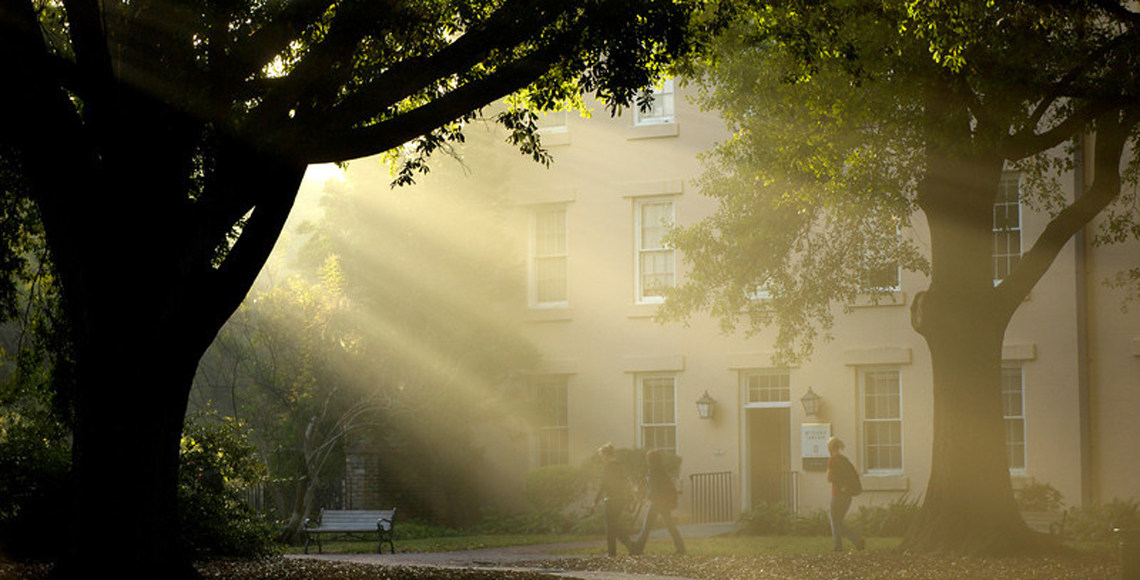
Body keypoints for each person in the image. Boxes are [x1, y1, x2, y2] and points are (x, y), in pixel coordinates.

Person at [633, 448, 686, 555]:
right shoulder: (661, 470)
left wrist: (648, 496)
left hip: (656, 502)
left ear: (650, 459)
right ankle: (680, 547)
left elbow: (653, 489)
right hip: (664, 501)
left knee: (646, 527)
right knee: (670, 525)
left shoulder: (652, 471)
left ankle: (638, 549)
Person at [594, 443, 635, 556]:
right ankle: (629, 545)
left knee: (610, 526)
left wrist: (596, 500)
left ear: (607, 454)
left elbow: (604, 484)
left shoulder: (608, 467)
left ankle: (612, 552)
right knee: (616, 525)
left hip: (611, 499)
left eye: (602, 455)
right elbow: (626, 481)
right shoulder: (620, 466)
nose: (602, 458)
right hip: (621, 499)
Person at [826, 436, 865, 552]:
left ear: (830, 448)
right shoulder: (845, 460)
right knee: (838, 522)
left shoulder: (832, 460)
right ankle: (857, 541)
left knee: (834, 521)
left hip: (837, 494)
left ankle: (838, 547)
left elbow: (829, 478)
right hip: (848, 495)